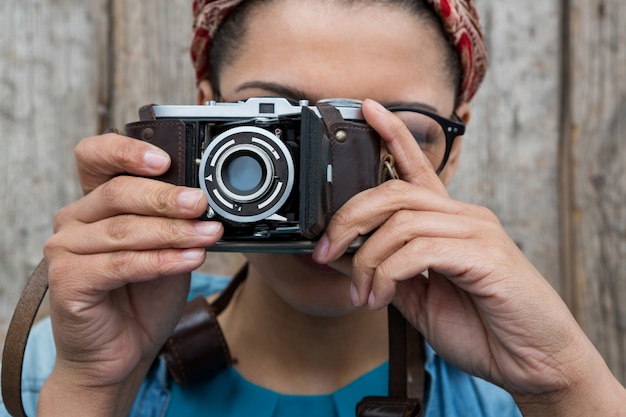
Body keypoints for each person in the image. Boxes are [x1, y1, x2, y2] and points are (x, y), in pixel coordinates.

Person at [2, 0, 626, 416]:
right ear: (204, 116)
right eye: (276, 130)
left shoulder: (512, 393)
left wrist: (565, 385)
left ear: (451, 148)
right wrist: (93, 389)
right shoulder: (58, 368)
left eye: (389, 135)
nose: (332, 197)